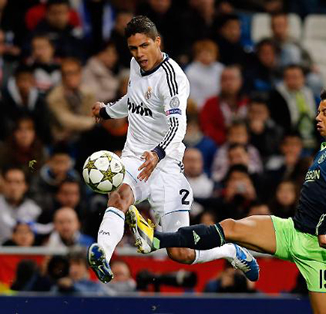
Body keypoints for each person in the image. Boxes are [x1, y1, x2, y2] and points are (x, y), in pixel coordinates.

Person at [129, 87, 326, 314]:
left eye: (325, 112)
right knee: (230, 226)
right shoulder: (325, 148)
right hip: (293, 231)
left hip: (321, 250)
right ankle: (157, 240)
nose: (317, 117)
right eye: (318, 111)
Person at [89, 16, 259, 284]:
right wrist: (108, 111)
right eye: (133, 48)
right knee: (119, 195)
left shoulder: (172, 79)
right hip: (135, 158)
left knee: (180, 252)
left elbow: (178, 126)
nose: (139, 54)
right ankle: (102, 253)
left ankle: (230, 251)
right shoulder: (135, 65)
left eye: (144, 46)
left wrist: (157, 153)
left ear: (158, 42)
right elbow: (134, 99)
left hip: (165, 165)